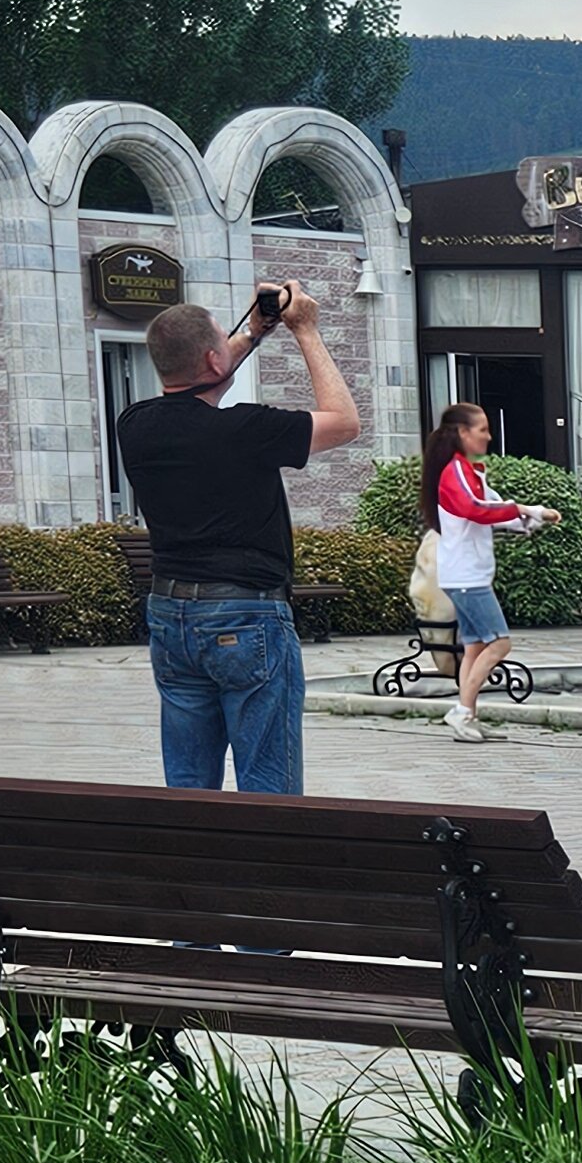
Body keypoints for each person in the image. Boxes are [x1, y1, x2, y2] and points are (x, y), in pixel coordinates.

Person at [118, 287, 361, 794]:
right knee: (268, 785)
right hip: (246, 615)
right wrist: (305, 330)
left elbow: (198, 377)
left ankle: (194, 846)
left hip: (171, 616)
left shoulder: (135, 425)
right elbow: (344, 423)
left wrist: (253, 332)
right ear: (213, 360)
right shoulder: (247, 429)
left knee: (189, 784)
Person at [425, 399, 552, 744]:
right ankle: (461, 711)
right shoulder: (456, 472)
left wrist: (529, 517)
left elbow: (491, 509)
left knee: (475, 648)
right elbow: (475, 509)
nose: (488, 436)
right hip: (468, 577)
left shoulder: (466, 471)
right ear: (462, 433)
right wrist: (526, 509)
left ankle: (468, 717)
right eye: (482, 429)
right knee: (500, 643)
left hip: (466, 576)